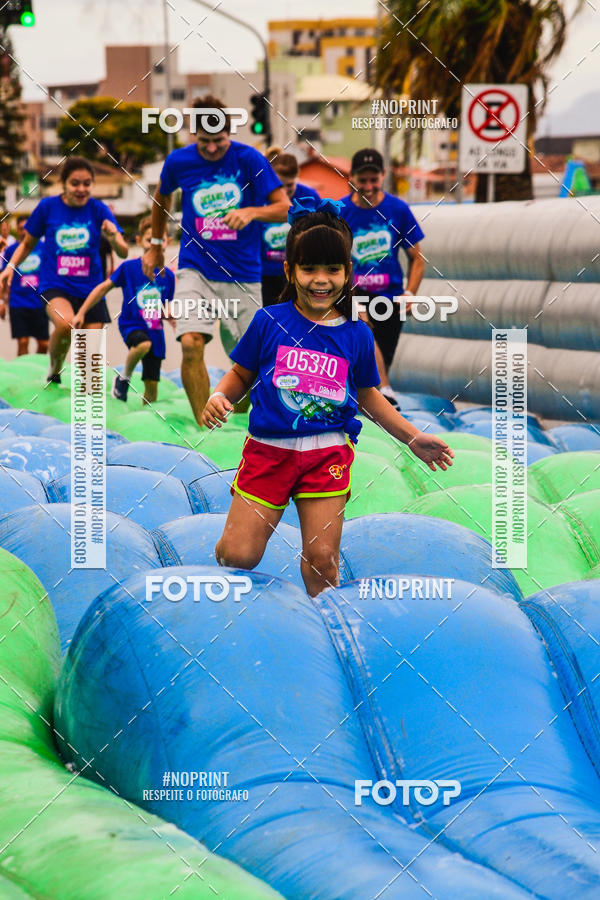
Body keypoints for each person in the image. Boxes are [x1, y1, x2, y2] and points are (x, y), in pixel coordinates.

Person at [200, 199, 453, 597]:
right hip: (268, 453)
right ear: (290, 270)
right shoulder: (269, 322)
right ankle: (227, 555)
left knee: (321, 560)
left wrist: (412, 437)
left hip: (326, 455)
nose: (322, 279)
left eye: (333, 269)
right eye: (309, 268)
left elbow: (369, 396)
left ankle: (329, 625)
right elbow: (240, 373)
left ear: (348, 272)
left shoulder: (356, 334)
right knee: (239, 556)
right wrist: (220, 395)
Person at [142, 94, 290, 425]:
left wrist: (251, 212)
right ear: (194, 133)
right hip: (196, 268)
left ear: (229, 133)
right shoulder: (179, 162)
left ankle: (240, 417)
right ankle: (201, 430)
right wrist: (155, 244)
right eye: (205, 141)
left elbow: (284, 209)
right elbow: (161, 197)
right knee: (191, 342)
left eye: (219, 141)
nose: (211, 149)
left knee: (252, 361)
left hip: (243, 275)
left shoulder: (250, 160)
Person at [0, 156, 128, 383]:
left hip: (91, 292)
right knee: (67, 323)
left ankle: (87, 400)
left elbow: (124, 252)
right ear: (64, 184)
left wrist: (113, 238)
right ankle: (55, 368)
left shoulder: (98, 210)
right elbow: (28, 244)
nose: (81, 189)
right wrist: (10, 268)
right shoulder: (48, 207)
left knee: (90, 360)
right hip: (55, 286)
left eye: (87, 183)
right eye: (75, 183)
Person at [340, 148, 425, 407]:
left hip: (390, 295)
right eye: (362, 180)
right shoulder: (341, 210)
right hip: (354, 292)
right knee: (364, 333)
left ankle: (373, 395)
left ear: (383, 176)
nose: (368, 186)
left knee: (379, 358)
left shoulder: (398, 209)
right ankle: (386, 391)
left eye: (373, 180)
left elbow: (417, 259)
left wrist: (409, 293)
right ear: (352, 178)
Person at [73, 215, 175, 405]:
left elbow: (165, 307)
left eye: (160, 241)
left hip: (156, 331)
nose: (155, 246)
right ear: (139, 241)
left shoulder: (168, 276)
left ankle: (147, 418)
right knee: (143, 344)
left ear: (167, 242)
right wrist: (81, 312)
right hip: (132, 324)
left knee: (152, 387)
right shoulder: (129, 267)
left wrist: (173, 320)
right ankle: (124, 378)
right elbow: (103, 288)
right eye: (150, 240)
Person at [260, 147, 320, 306]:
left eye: (290, 185)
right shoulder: (260, 196)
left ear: (298, 177)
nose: (284, 191)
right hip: (265, 272)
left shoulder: (310, 197)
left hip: (298, 271)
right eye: (280, 186)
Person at [0, 216, 48, 356]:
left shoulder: (44, 247)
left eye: (27, 228)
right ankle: (23, 374)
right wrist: (2, 301)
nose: (24, 232)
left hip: (40, 302)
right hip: (18, 302)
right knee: (23, 342)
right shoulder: (11, 250)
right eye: (21, 229)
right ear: (17, 230)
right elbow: (3, 278)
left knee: (44, 344)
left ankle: (39, 372)